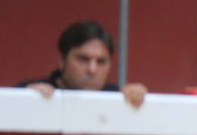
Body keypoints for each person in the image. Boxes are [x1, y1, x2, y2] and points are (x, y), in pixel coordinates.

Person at [16, 20, 147, 108]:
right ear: (62, 61)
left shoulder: (118, 97)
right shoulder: (30, 92)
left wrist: (137, 101)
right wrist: (25, 100)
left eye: (101, 61)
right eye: (83, 59)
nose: (92, 70)